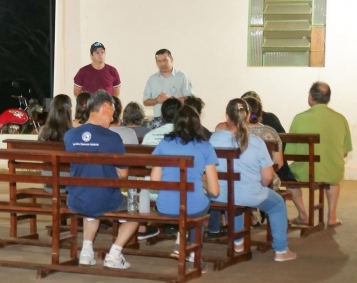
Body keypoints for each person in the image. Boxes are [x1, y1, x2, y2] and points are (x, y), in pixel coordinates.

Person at [209, 99, 295, 261]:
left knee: (230, 195)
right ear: (248, 117)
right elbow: (268, 177)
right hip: (248, 193)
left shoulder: (214, 139)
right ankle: (281, 250)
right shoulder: (256, 142)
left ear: (227, 117)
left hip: (219, 194)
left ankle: (238, 240)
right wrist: (261, 187)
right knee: (277, 204)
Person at [65, 90, 139, 270]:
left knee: (90, 200)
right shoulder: (112, 138)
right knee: (135, 212)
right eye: (112, 115)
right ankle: (114, 254)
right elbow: (123, 175)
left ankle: (86, 252)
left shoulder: (70, 135)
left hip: (76, 198)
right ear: (105, 107)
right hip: (104, 197)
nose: (112, 120)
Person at [150, 105, 220, 265]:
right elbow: (215, 190)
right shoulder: (205, 146)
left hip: (165, 206)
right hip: (192, 207)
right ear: (197, 123)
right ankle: (194, 255)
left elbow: (154, 181)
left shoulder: (164, 143)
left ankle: (181, 242)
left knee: (190, 206)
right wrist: (201, 181)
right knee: (201, 206)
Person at [285, 82, 351, 227]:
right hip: (332, 171)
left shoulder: (299, 118)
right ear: (328, 98)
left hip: (305, 172)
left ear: (310, 97)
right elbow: (345, 153)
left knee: (289, 179)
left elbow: (290, 153)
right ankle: (332, 217)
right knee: (334, 179)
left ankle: (303, 215)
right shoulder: (341, 119)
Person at [143, 49, 193, 129]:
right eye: (159, 61)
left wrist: (171, 98)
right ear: (156, 62)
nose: (162, 64)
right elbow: (145, 101)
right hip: (158, 121)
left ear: (172, 59)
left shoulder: (182, 77)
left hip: (178, 119)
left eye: (165, 60)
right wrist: (156, 100)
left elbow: (190, 100)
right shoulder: (152, 79)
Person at [243, 95, 283, 185]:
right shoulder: (271, 132)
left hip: (241, 180)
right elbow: (279, 163)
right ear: (260, 112)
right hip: (266, 181)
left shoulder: (236, 132)